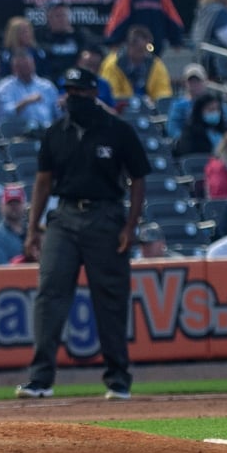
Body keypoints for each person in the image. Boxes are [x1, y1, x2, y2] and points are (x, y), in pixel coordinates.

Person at [16, 68, 147, 399]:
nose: (72, 98)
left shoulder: (117, 130)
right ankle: (41, 379)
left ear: (93, 95)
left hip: (106, 215)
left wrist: (131, 227)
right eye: (68, 92)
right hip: (65, 215)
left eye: (79, 92)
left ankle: (118, 380)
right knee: (49, 293)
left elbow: (139, 179)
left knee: (110, 299)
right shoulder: (56, 132)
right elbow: (43, 182)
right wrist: (33, 228)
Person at [0, 185, 30, 265]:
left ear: (24, 206)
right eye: (10, 203)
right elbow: (1, 270)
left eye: (17, 203)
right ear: (1, 206)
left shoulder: (34, 233)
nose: (14, 207)